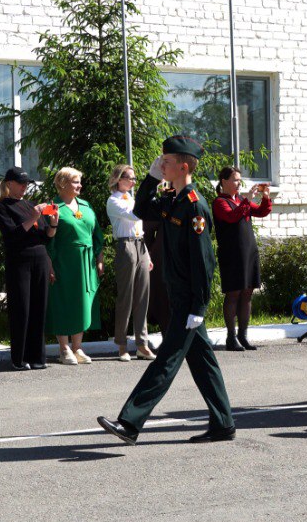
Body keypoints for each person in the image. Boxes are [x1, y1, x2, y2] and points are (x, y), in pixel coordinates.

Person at [97, 136, 237, 445]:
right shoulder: (172, 199)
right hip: (177, 294)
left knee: (166, 360)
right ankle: (223, 422)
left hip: (189, 299)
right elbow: (141, 209)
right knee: (203, 361)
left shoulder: (194, 205)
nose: (163, 164)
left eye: (168, 162)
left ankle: (130, 422)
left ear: (184, 166)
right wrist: (151, 178)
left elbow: (204, 262)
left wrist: (199, 307)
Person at [0, 167, 56, 371]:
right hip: (19, 261)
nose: (24, 187)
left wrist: (53, 225)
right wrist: (33, 217)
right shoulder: (3, 207)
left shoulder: (29, 205)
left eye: (26, 184)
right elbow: (13, 235)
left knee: (39, 308)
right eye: (20, 183)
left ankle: (37, 357)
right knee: (22, 308)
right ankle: (19, 358)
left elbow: (44, 237)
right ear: (9, 183)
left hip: (39, 259)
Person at [45, 167, 104, 365]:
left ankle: (78, 347)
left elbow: (97, 235)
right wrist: (50, 265)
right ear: (63, 183)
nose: (80, 185)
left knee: (82, 303)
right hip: (63, 261)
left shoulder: (86, 206)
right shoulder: (53, 207)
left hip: (86, 262)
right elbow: (47, 240)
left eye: (80, 181)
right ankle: (64, 349)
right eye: (75, 182)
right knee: (63, 301)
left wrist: (99, 258)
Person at [213, 167, 272, 352]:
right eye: (235, 180)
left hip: (248, 252)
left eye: (240, 180)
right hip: (232, 253)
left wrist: (266, 197)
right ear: (224, 181)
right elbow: (232, 216)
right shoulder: (219, 202)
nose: (239, 183)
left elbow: (261, 211)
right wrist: (247, 199)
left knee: (247, 293)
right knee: (233, 293)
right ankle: (231, 337)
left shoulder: (239, 200)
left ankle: (243, 335)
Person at [107, 164, 155, 362]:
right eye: (130, 177)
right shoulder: (113, 200)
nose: (133, 181)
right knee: (125, 297)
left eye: (135, 178)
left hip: (140, 245)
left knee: (143, 296)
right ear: (119, 179)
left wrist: (148, 256)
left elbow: (140, 225)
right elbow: (135, 215)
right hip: (125, 246)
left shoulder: (132, 199)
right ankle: (122, 345)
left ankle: (142, 344)